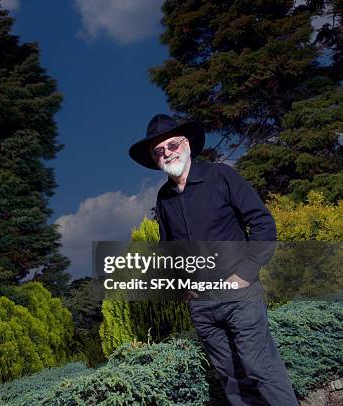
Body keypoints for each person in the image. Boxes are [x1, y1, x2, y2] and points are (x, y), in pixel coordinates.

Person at [128, 114, 298, 406]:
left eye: (172, 145)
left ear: (187, 145)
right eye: (159, 151)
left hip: (240, 296)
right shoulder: (163, 198)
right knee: (231, 379)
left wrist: (245, 274)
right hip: (203, 307)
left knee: (261, 369)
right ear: (155, 160)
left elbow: (263, 226)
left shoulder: (221, 176)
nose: (167, 153)